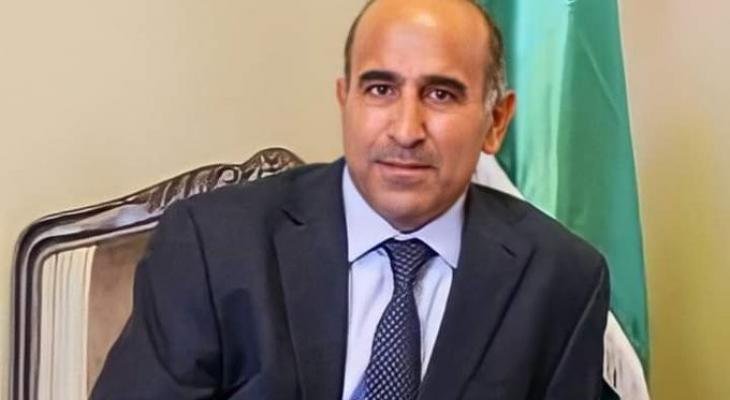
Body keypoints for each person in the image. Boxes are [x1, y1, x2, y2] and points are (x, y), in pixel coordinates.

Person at [92, 0, 609, 399]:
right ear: (345, 101)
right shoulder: (213, 246)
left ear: (495, 121)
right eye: (381, 89)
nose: (406, 130)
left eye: (441, 94)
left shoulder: (560, 278)